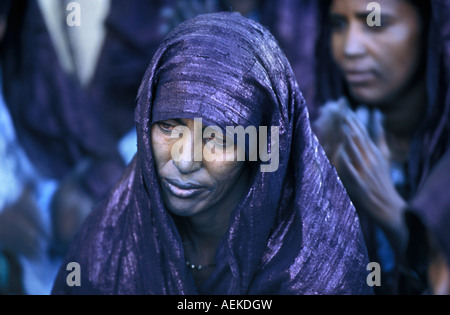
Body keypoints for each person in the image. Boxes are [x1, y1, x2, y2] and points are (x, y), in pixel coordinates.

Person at [52, 12, 372, 295]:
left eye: (217, 139)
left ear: (262, 147)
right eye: (168, 126)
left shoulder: (314, 270)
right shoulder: (106, 251)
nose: (184, 159)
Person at [313, 0, 449, 294]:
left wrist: (392, 214)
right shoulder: (334, 139)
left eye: (375, 24)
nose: (349, 48)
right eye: (338, 24)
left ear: (431, 29)